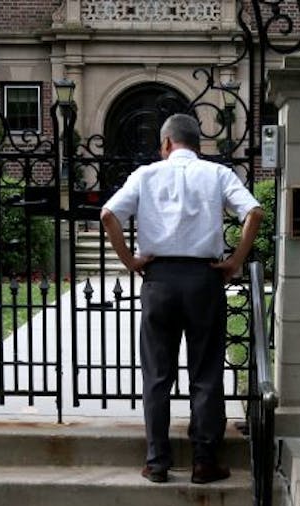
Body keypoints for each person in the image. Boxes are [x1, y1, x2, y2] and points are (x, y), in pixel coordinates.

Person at [100, 113, 264, 484]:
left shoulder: (145, 175)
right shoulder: (217, 174)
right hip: (204, 278)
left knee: (157, 374)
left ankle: (157, 461)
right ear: (197, 143)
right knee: (205, 372)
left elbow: (108, 214)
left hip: (159, 280)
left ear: (167, 143)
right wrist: (236, 261)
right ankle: (205, 461)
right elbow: (253, 211)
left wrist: (130, 261)